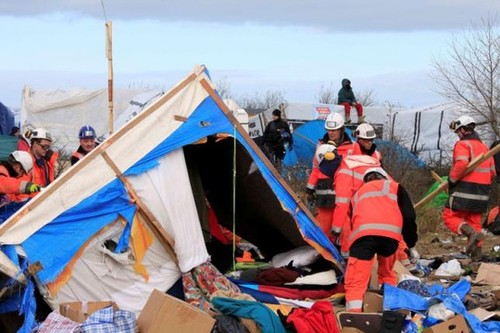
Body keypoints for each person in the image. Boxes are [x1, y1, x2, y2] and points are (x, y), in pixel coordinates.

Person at [343, 167, 417, 312]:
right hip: (390, 238)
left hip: (362, 238)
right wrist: (411, 244)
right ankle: (389, 311)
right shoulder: (395, 187)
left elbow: (351, 222)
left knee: (356, 281)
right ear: (385, 177)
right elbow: (409, 217)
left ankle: (353, 316)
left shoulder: (357, 194)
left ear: (365, 180)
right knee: (387, 274)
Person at [443, 115, 496, 260]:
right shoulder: (485, 147)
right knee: (474, 221)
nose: (457, 135)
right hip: (482, 193)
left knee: (449, 216)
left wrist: (452, 180)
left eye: (458, 131)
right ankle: (476, 256)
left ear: (463, 130)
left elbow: (461, 164)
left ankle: (471, 234)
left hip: (464, 190)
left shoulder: (463, 145)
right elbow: (492, 172)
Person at [305, 142, 341, 238]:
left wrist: (309, 191)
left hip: (324, 195)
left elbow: (315, 173)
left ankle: (324, 241)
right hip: (331, 194)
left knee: (325, 221)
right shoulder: (337, 158)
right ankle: (329, 242)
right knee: (332, 220)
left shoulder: (320, 152)